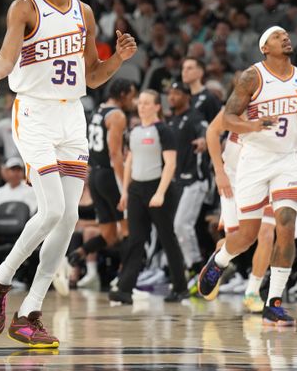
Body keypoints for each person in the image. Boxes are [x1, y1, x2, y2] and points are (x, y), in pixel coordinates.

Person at [0, 0, 136, 348]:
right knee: (52, 211)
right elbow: (5, 58)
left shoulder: (84, 13)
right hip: (34, 113)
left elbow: (94, 76)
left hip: (71, 115)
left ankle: (29, 312)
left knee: (66, 221)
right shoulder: (25, 7)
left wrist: (117, 59)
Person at [197, 26, 297, 327]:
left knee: (285, 225)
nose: (285, 38)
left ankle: (274, 302)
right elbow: (226, 119)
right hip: (254, 161)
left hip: (287, 161)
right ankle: (221, 260)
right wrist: (253, 126)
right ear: (265, 48)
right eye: (278, 37)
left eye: (287, 35)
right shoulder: (252, 77)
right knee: (247, 236)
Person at [111, 90, 187, 304]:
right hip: (136, 190)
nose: (142, 106)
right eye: (140, 103)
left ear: (157, 107)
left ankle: (180, 287)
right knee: (135, 240)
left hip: (158, 189)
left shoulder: (164, 131)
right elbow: (129, 162)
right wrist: (125, 191)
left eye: (147, 103)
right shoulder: (134, 131)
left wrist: (161, 193)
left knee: (167, 238)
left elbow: (170, 164)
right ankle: (125, 289)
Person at [206, 106, 276, 313]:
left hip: (265, 177)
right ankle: (219, 257)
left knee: (266, 234)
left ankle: (252, 292)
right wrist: (219, 172)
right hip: (234, 178)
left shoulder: (283, 105)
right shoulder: (240, 102)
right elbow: (212, 132)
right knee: (240, 240)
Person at [68, 78, 137, 288]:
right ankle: (125, 281)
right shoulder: (117, 115)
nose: (133, 100)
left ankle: (79, 253)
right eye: (132, 95)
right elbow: (115, 153)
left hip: (95, 175)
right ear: (123, 94)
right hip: (109, 174)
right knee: (127, 230)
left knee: (108, 234)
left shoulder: (99, 110)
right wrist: (124, 182)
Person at [166, 81, 209, 273]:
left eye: (176, 93)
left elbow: (206, 130)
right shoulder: (171, 121)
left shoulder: (194, 117)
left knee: (182, 225)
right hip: (177, 182)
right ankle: (186, 266)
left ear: (187, 97)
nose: (172, 97)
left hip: (195, 179)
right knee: (179, 227)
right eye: (170, 94)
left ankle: (196, 267)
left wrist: (203, 140)